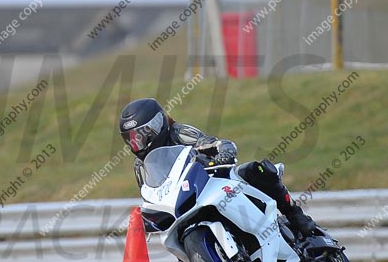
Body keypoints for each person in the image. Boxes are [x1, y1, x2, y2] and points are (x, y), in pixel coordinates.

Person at [119, 97, 317, 238]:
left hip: (212, 179)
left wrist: (221, 151)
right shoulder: (140, 167)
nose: (137, 143)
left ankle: (295, 215)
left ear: (156, 126)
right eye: (131, 139)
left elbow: (209, 143)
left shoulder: (179, 133)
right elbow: (150, 195)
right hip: (183, 203)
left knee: (257, 170)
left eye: (140, 135)